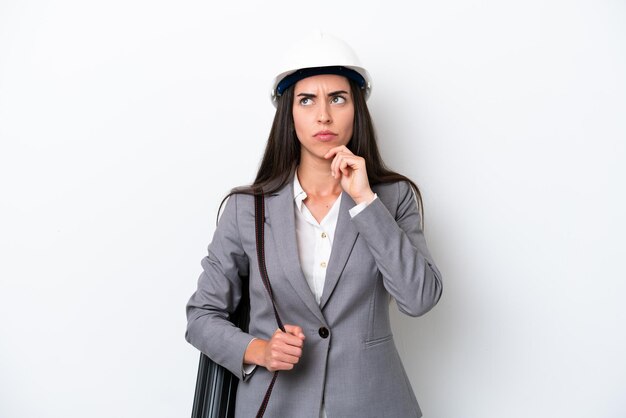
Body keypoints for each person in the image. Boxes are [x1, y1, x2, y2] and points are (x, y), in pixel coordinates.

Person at [186, 31, 443, 418]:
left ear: (356, 108)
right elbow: (202, 316)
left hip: (372, 404)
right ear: (289, 112)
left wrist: (365, 201)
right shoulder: (246, 209)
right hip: (276, 404)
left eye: (337, 99)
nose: (323, 115)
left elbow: (419, 298)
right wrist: (259, 350)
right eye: (307, 100)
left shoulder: (392, 199)